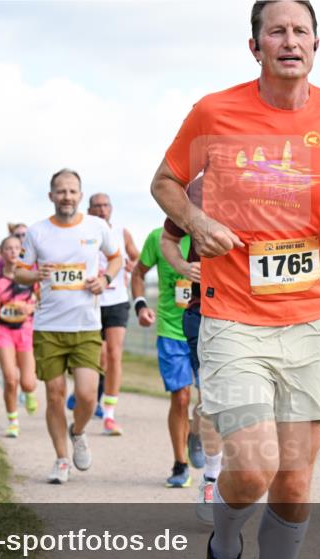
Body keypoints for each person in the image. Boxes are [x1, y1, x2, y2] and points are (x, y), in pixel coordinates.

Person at [149, 1, 320, 559]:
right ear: (254, 47)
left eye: (301, 30)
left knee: (296, 482)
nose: (289, 40)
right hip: (233, 316)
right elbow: (164, 183)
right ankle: (223, 551)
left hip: (312, 319)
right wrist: (197, 221)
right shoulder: (214, 112)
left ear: (316, 45)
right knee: (251, 468)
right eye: (276, 30)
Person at [14, 169, 122, 485]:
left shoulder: (96, 227)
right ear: (51, 196)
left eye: (72, 191)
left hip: (86, 325)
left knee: (87, 396)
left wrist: (105, 278)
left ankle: (78, 431)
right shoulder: (37, 232)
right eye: (61, 191)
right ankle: (62, 459)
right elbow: (18, 272)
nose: (67, 197)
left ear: (80, 195)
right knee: (55, 395)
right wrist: (35, 275)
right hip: (48, 326)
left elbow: (116, 259)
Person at [160, 178, 224, 523]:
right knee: (213, 398)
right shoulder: (197, 189)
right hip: (206, 311)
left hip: (259, 314)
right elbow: (168, 239)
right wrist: (184, 267)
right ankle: (212, 478)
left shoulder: (273, 180)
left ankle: (199, 435)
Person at [132, 227, 197, 489]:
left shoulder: (210, 234)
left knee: (211, 402)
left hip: (209, 328)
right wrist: (140, 306)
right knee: (181, 397)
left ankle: (198, 432)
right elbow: (138, 273)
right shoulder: (158, 237)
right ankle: (180, 464)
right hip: (171, 330)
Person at [87, 192, 141, 435]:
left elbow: (137, 258)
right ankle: (86, 395)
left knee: (114, 354)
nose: (101, 209)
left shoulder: (122, 232)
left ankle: (109, 415)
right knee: (99, 357)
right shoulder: (85, 233)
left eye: (105, 205)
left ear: (111, 208)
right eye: (97, 206)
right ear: (89, 210)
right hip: (91, 301)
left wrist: (132, 266)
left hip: (117, 300)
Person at [0, 235, 40, 437]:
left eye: (17, 248)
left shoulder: (30, 276)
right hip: (3, 331)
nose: (13, 251)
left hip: (25, 330)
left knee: (28, 382)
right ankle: (13, 421)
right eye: (9, 248)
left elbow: (43, 301)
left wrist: (32, 307)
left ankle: (30, 392)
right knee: (10, 378)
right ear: (2, 253)